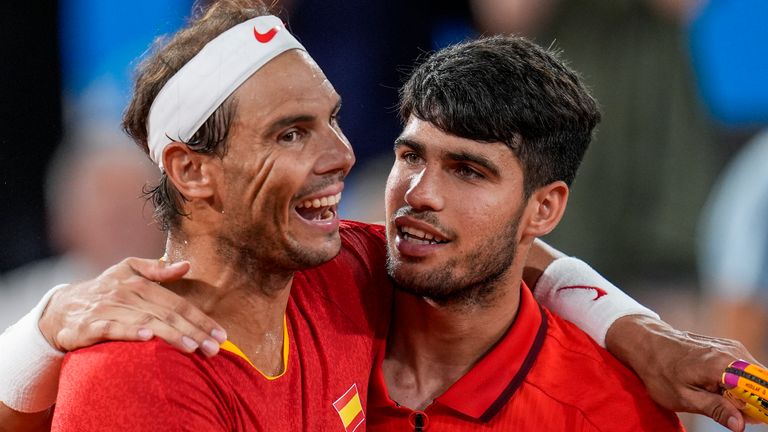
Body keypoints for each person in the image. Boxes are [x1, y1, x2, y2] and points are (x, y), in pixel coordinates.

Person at [0, 1, 757, 431]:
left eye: (333, 119)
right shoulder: (139, 378)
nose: (340, 155)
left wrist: (643, 335)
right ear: (193, 171)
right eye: (291, 132)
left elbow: (509, 251)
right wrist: (39, 333)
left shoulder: (341, 269)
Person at [369, 35, 683, 430]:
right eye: (411, 157)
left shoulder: (616, 417)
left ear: (544, 208)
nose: (419, 194)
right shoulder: (314, 286)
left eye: (468, 171)